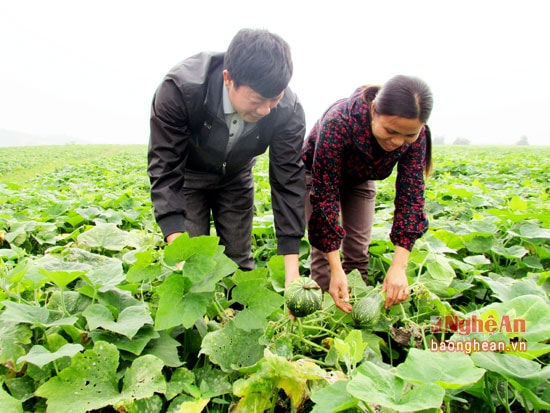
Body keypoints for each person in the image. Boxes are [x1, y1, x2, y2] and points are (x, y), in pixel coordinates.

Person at [147, 28, 306, 286]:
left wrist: (292, 274)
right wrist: (177, 246)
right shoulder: (180, 90)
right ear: (228, 78)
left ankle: (235, 315)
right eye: (256, 100)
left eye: (274, 98)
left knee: (238, 264)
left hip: (236, 177)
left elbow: (288, 182)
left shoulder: (288, 110)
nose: (266, 109)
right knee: (193, 267)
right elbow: (164, 168)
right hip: (189, 178)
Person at [302, 75, 433, 313]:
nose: (398, 141)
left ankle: (356, 312)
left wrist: (399, 268)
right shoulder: (339, 121)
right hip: (318, 175)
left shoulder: (417, 135)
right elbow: (325, 198)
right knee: (324, 256)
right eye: (391, 131)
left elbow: (411, 198)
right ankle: (321, 312)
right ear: (374, 110)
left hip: (361, 178)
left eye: (408, 135)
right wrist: (335, 269)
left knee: (358, 250)